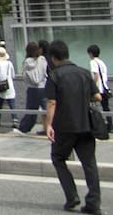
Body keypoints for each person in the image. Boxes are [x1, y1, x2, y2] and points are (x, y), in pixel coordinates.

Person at [46, 40, 102, 214]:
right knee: (89, 164)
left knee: (58, 158)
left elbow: (52, 102)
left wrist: (48, 125)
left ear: (53, 58)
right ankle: (93, 203)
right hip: (85, 124)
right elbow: (98, 97)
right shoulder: (84, 73)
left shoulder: (55, 76)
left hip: (64, 126)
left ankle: (72, 196)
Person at [16, 41, 48, 134]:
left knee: (31, 110)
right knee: (47, 109)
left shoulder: (26, 62)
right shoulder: (42, 59)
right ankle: (53, 127)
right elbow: (45, 72)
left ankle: (24, 128)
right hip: (43, 87)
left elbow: (25, 75)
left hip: (32, 88)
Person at [87, 45, 113, 134]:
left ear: (91, 53)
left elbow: (96, 75)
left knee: (90, 105)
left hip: (98, 89)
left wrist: (92, 86)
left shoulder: (93, 62)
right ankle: (110, 126)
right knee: (106, 107)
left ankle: (93, 125)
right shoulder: (102, 62)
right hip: (105, 88)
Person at [0, 45, 18, 129]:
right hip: (9, 84)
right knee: (12, 103)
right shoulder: (9, 63)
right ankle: (15, 119)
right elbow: (13, 75)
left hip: (0, 85)